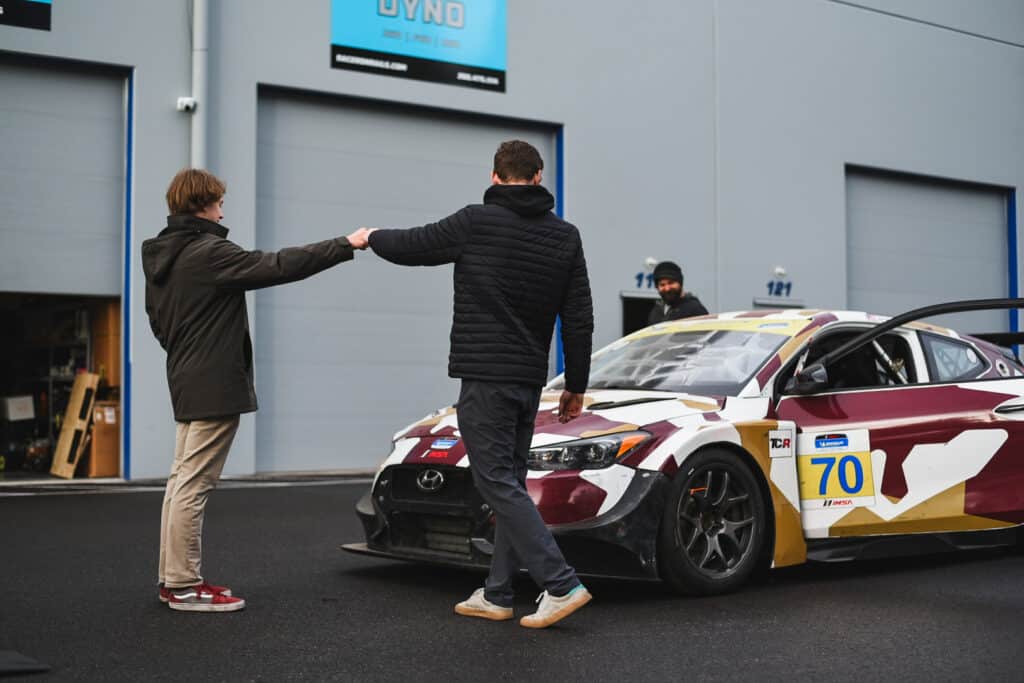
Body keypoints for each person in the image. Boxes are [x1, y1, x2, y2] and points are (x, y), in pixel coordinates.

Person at [364, 140, 594, 629]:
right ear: (537, 178)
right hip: (529, 380)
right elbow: (579, 317)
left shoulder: (476, 221)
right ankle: (497, 593)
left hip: (486, 376)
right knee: (509, 482)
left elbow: (414, 245)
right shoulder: (566, 236)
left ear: (495, 177)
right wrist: (576, 383)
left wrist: (370, 237)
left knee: (494, 482)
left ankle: (561, 583)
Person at [142, 168, 370, 612]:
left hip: (186, 376)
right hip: (214, 381)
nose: (223, 209)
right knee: (193, 483)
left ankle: (174, 580)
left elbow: (158, 324)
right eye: (219, 202)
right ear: (202, 204)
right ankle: (185, 586)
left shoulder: (163, 256)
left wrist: (188, 353)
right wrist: (345, 244)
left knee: (180, 480)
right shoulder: (209, 251)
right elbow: (276, 265)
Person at [647, 260, 708, 325]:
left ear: (680, 283)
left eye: (671, 283)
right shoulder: (657, 311)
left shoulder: (695, 309)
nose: (667, 289)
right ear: (657, 287)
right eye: (662, 285)